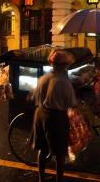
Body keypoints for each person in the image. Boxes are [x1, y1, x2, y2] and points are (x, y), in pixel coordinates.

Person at [32, 49, 77, 182]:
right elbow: (72, 103)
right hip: (55, 118)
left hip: (39, 115)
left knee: (42, 149)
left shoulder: (43, 78)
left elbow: (35, 96)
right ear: (63, 65)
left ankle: (41, 178)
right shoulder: (64, 82)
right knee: (60, 154)